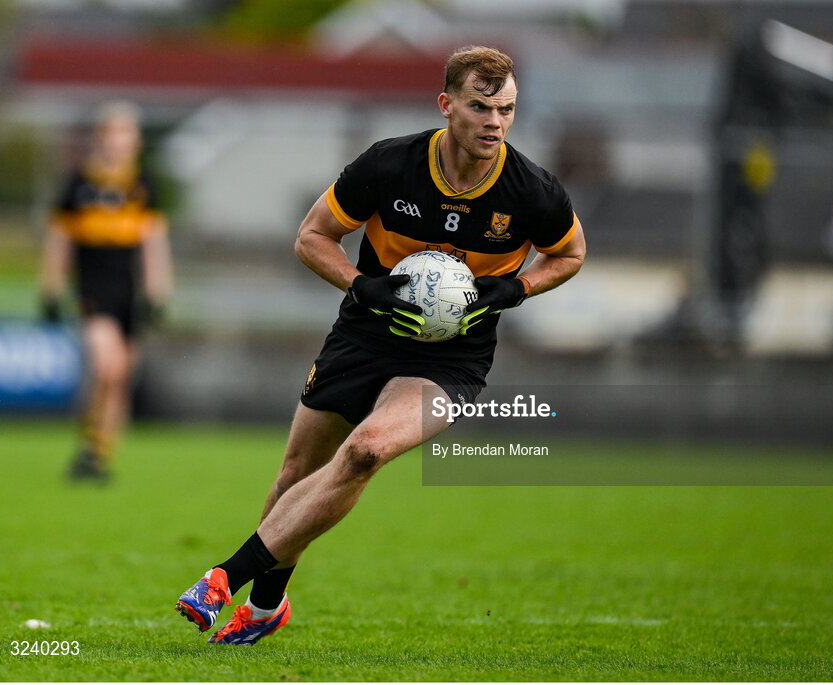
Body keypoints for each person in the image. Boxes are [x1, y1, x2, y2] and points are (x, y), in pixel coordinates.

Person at [175, 46, 585, 645]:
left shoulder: (532, 191)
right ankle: (265, 609)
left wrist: (517, 288)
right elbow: (312, 237)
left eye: (507, 109)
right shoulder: (389, 165)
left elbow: (571, 254)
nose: (495, 123)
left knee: (366, 451)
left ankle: (224, 578)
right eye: (480, 107)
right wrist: (362, 283)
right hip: (365, 333)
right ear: (447, 105)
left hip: (452, 359)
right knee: (297, 474)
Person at [39, 101, 173, 482]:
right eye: (114, 132)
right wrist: (50, 289)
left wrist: (158, 293)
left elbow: (154, 245)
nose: (121, 141)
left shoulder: (143, 185)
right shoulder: (79, 184)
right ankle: (89, 441)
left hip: (130, 294)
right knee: (107, 366)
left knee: (120, 379)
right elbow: (58, 242)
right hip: (93, 291)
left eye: (128, 133)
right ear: (101, 138)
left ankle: (97, 454)